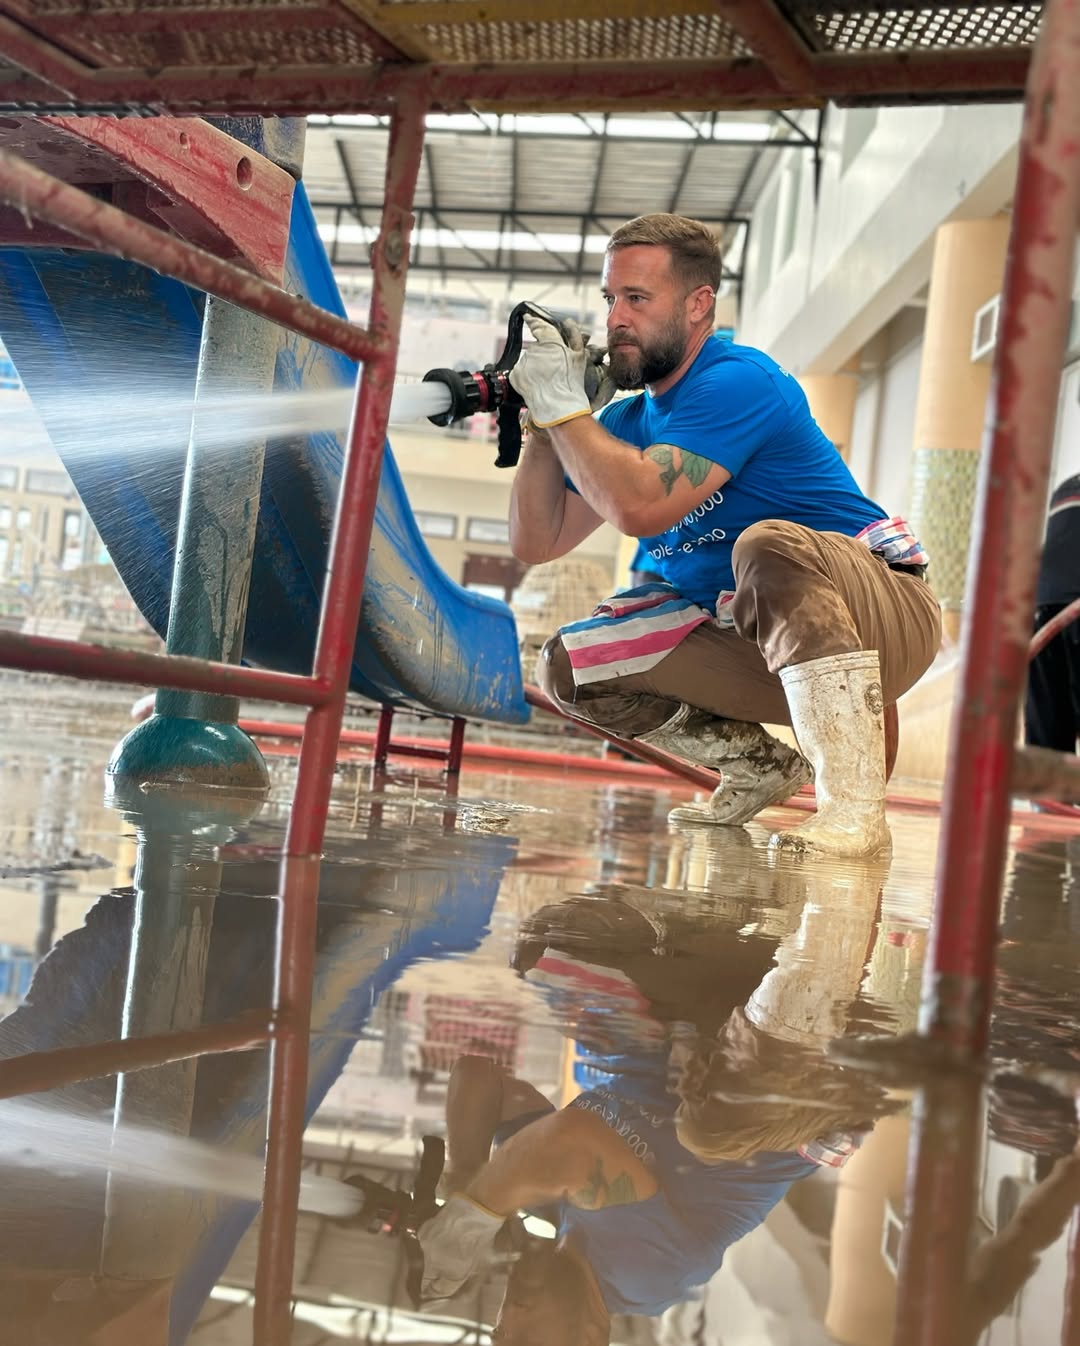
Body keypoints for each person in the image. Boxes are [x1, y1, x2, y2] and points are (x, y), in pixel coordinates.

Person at [507, 213, 941, 857]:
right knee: (571, 666)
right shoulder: (625, 421)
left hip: (880, 616)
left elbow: (639, 505)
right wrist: (546, 426)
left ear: (698, 304)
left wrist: (569, 414)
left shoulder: (737, 380)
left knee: (765, 546)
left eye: (637, 298)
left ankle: (852, 809)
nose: (615, 318)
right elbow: (536, 541)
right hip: (751, 635)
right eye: (609, 298)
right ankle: (758, 766)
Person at [1026, 472, 1080, 754]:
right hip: (1066, 606)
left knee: (1048, 739)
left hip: (1040, 605)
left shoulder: (1067, 488)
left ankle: (1047, 797)